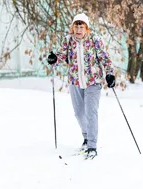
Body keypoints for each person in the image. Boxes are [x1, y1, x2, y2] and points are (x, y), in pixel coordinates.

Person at [47, 13, 115, 159]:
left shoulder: (95, 40)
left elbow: (105, 58)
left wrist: (110, 74)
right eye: (76, 26)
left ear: (87, 28)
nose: (78, 29)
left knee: (91, 112)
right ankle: (86, 137)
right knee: (79, 113)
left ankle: (92, 145)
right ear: (73, 27)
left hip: (93, 81)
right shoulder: (68, 40)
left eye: (81, 26)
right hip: (75, 81)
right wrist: (54, 59)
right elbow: (61, 55)